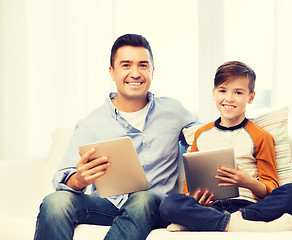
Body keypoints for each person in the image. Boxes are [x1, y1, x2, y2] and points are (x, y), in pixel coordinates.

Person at [34, 34, 198, 240]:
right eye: (126, 65)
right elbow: (64, 181)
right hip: (107, 205)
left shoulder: (175, 112)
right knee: (55, 202)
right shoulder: (90, 123)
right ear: (112, 72)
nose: (135, 73)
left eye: (143, 65)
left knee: (142, 199)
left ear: (152, 72)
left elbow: (206, 135)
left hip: (154, 206)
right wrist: (79, 179)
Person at [159, 61, 292, 232]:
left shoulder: (261, 136)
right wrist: (198, 199)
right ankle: (239, 225)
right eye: (222, 91)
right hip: (211, 207)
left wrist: (248, 182)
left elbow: (271, 189)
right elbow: (189, 190)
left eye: (238, 92)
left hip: (249, 207)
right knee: (169, 204)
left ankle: (223, 221)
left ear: (250, 97)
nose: (229, 98)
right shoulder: (201, 134)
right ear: (214, 93)